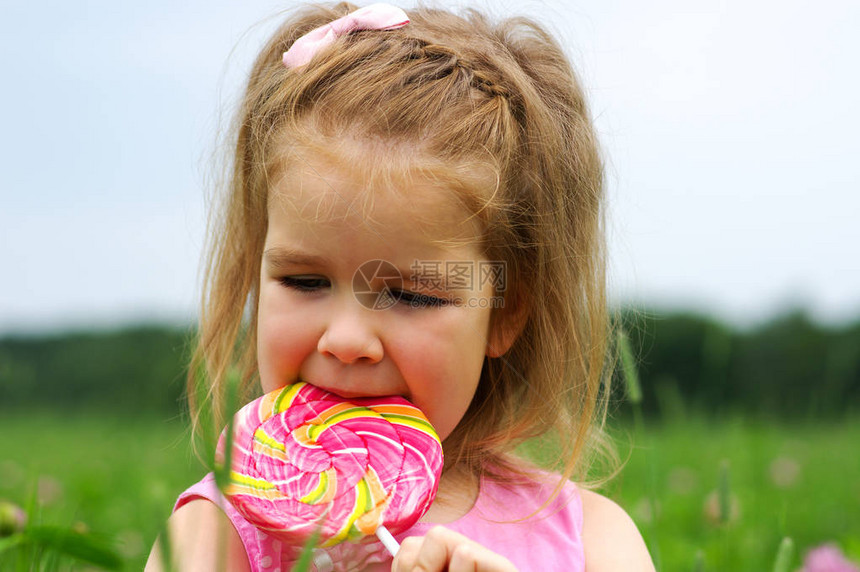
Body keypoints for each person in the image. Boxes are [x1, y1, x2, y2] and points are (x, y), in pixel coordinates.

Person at [146, 2, 655, 570]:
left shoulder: (592, 538)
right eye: (305, 280)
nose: (346, 339)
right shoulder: (217, 534)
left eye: (412, 295)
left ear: (504, 313)